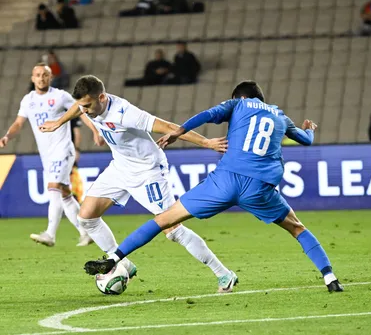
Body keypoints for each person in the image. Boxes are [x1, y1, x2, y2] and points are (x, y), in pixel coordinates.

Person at [83, 80, 344, 293]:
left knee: (164, 221)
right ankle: (330, 277)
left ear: (239, 98)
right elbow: (306, 140)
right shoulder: (282, 118)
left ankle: (114, 258)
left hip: (224, 182)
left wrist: (179, 131)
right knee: (297, 228)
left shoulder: (237, 105)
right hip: (260, 188)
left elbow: (207, 115)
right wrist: (310, 129)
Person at [39, 75, 238, 293]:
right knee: (86, 217)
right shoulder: (89, 106)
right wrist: (58, 123)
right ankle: (122, 262)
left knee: (173, 230)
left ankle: (223, 274)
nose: (84, 111)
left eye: (88, 105)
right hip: (120, 168)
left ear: (102, 97)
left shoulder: (125, 113)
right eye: (82, 106)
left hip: (148, 172)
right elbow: (77, 108)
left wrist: (206, 142)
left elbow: (168, 126)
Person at [0, 63, 101, 246]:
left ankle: (50, 234)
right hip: (46, 154)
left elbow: (81, 111)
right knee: (64, 194)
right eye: (37, 75)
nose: (41, 78)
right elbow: (18, 123)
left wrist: (95, 130)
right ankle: (85, 232)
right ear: (32, 78)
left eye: (45, 75)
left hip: (63, 149)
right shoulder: (27, 100)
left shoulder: (60, 96)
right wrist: (8, 136)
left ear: (50, 77)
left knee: (53, 186)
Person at [70, 118, 85, 203]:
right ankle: (74, 199)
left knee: (71, 175)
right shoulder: (71, 113)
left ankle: (74, 199)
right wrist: (77, 149)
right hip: (68, 151)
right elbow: (77, 133)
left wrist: (76, 149)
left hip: (67, 152)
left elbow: (77, 133)